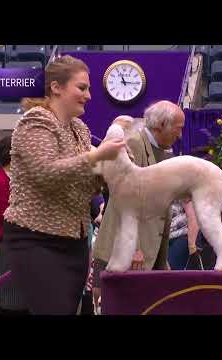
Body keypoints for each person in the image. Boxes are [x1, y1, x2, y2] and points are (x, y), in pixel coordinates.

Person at [2, 55, 124, 315]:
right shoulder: (36, 121)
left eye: (88, 89)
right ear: (56, 87)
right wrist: (97, 156)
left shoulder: (79, 128)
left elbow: (84, 182)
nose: (89, 95)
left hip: (75, 241)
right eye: (82, 88)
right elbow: (46, 173)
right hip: (36, 239)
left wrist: (111, 171)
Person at [92, 101, 186, 305]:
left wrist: (161, 258)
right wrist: (133, 249)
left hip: (150, 249)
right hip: (126, 250)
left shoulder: (162, 149)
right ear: (161, 124)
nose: (180, 135)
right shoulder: (134, 143)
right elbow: (125, 201)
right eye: (178, 129)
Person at [0, 136, 29, 315]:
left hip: (23, 248)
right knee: (8, 304)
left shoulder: (20, 180)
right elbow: (11, 218)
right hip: (5, 249)